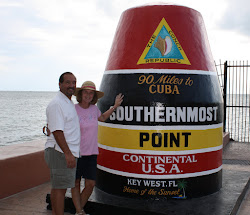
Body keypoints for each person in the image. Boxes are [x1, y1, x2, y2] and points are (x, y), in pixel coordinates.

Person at [72, 81, 123, 215]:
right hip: (76, 153)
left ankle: (78, 209)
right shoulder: (73, 109)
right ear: (81, 93)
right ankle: (79, 211)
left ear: (93, 96)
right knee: (75, 183)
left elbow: (103, 118)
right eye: (86, 92)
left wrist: (115, 106)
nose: (88, 95)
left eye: (91, 93)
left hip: (91, 153)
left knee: (90, 184)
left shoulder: (94, 109)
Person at [44, 72, 81, 215]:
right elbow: (57, 131)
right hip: (60, 152)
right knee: (60, 189)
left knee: (58, 187)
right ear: (60, 84)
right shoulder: (57, 103)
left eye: (74, 82)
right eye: (67, 82)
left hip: (63, 152)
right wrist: (68, 154)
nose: (71, 85)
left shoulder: (67, 102)